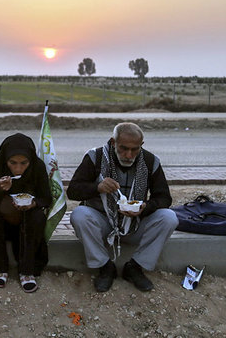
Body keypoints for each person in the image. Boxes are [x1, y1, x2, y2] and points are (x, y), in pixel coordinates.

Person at [67, 122, 178, 293]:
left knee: (169, 218)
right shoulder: (95, 157)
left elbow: (164, 197)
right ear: (113, 142)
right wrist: (97, 187)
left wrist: (145, 207)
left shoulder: (150, 161)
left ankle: (135, 267)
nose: (128, 154)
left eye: (134, 149)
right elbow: (73, 191)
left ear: (141, 145)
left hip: (135, 223)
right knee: (79, 215)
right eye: (123, 148)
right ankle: (105, 267)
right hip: (103, 223)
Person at [0, 133, 52, 293]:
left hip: (25, 221)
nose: (18, 168)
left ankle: (27, 270)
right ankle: (0, 267)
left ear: (30, 160)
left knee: (38, 216)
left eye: (23, 163)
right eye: (13, 163)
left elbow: (46, 198)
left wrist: (33, 203)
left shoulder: (37, 167)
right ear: (5, 159)